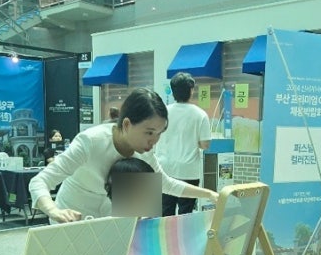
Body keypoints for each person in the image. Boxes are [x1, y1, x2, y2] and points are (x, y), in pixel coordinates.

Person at [29, 87, 217, 223]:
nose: (154, 141)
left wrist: (209, 194)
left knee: (143, 195)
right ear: (126, 124)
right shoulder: (90, 141)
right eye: (149, 132)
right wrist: (54, 210)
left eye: (159, 134)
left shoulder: (144, 153)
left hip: (111, 216)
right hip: (72, 216)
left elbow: (165, 183)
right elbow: (39, 182)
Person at [155, 71, 211, 216]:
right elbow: (205, 145)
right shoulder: (200, 115)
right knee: (186, 214)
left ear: (173, 91)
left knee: (165, 212)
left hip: (164, 168)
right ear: (191, 91)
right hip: (188, 171)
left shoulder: (163, 113)